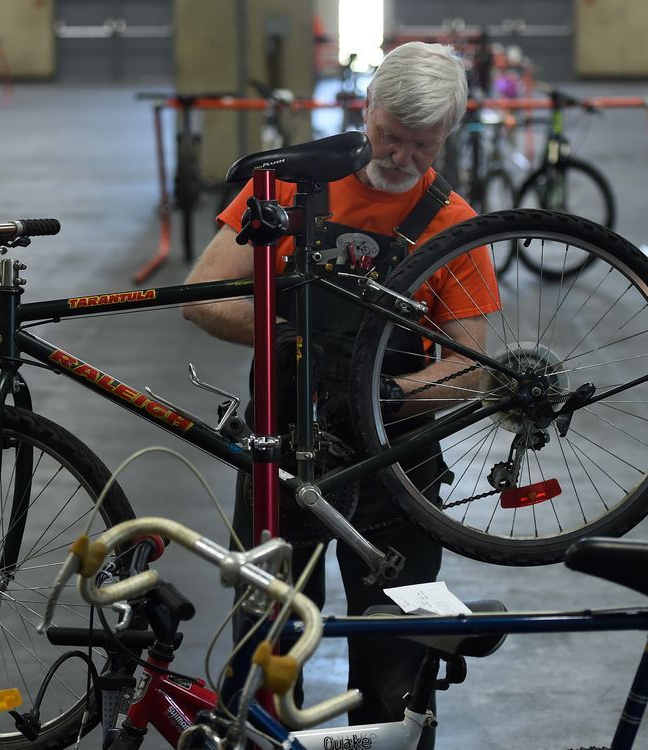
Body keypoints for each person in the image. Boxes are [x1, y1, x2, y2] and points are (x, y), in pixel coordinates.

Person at [181, 42, 500, 747]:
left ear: (449, 134)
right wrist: (306, 340)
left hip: (399, 472)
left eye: (424, 144)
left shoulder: (454, 225)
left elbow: (471, 367)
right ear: (367, 109)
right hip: (282, 454)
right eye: (391, 136)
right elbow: (205, 299)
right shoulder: (288, 188)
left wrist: (386, 392)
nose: (404, 157)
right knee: (265, 649)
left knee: (396, 669)